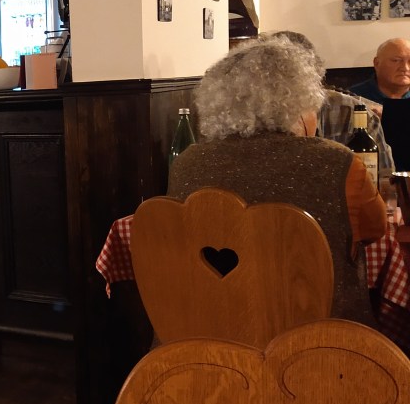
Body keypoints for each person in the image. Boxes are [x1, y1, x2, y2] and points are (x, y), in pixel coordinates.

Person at [169, 37, 387, 325]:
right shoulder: (338, 163)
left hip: (209, 329)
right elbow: (375, 229)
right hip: (322, 333)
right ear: (299, 105)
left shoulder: (187, 162)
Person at [265, 31, 395, 184]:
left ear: (315, 74)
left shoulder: (354, 114)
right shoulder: (250, 117)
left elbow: (385, 181)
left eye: (292, 75)